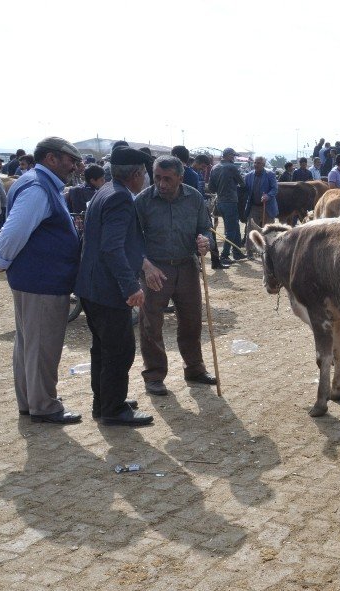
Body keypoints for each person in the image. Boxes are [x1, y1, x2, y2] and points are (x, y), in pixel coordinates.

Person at [0, 137, 83, 424]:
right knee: (42, 346)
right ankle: (44, 406)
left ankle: (30, 402)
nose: (74, 165)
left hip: (35, 280)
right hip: (42, 282)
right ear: (52, 159)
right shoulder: (38, 188)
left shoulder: (37, 182)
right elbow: (14, 231)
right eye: (69, 159)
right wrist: (1, 260)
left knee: (29, 344)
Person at [73, 147, 155, 426]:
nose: (145, 179)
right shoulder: (120, 198)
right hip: (108, 291)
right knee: (120, 351)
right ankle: (114, 409)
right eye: (144, 173)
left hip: (92, 288)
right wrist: (131, 286)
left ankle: (105, 401)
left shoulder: (106, 190)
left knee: (103, 349)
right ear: (135, 174)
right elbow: (112, 248)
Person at [134, 155, 218, 396]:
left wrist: (206, 241)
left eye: (168, 179)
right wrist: (145, 265)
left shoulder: (194, 198)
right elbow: (132, 239)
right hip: (155, 270)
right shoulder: (143, 201)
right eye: (158, 177)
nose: (161, 184)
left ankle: (194, 369)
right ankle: (154, 376)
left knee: (192, 321)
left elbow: (206, 228)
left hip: (187, 267)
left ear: (180, 177)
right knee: (151, 324)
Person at [208, 147, 246, 263]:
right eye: (233, 156)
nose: (234, 158)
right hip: (230, 201)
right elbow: (242, 183)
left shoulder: (215, 168)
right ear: (229, 155)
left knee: (234, 228)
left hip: (219, 202)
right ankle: (224, 255)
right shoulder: (231, 167)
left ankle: (237, 252)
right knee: (231, 230)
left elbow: (211, 188)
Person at [242, 156, 279, 254]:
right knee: (251, 229)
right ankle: (249, 251)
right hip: (254, 206)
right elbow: (245, 189)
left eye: (258, 163)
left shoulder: (270, 174)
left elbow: (275, 188)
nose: (256, 165)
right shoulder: (249, 176)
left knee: (269, 229)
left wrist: (268, 195)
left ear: (263, 164)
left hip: (267, 206)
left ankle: (270, 250)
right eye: (255, 163)